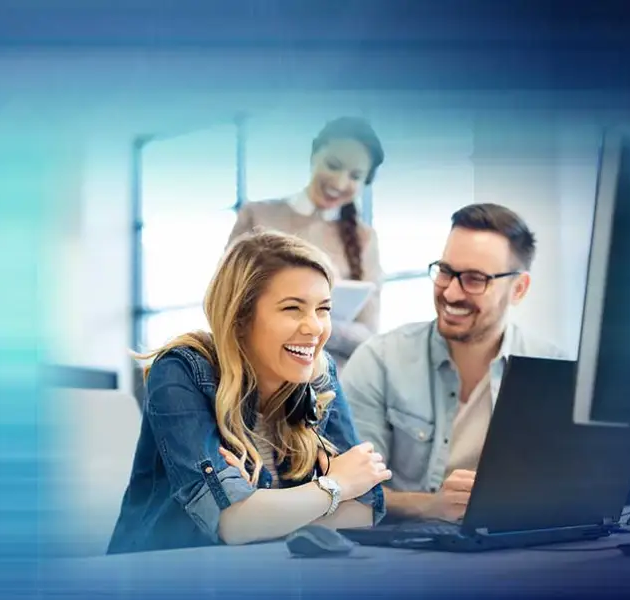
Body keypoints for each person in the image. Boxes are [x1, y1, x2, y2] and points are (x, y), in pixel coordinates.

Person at [106, 230, 390, 555]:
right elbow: (231, 523)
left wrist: (263, 510)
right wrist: (333, 486)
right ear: (241, 317)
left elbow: (365, 508)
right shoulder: (180, 371)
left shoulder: (318, 374)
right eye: (292, 309)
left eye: (323, 309)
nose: (314, 327)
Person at [341, 203, 567, 523]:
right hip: (405, 554)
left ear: (518, 289)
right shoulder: (379, 361)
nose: (451, 292)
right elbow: (348, 489)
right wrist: (429, 505)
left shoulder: (554, 371)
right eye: (446, 271)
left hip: (517, 549)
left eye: (475, 279)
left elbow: (579, 489)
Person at [229, 116, 386, 366]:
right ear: (314, 153)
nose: (340, 182)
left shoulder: (364, 239)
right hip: (258, 373)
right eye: (333, 165)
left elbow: (368, 336)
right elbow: (227, 302)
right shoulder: (257, 216)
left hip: (331, 385)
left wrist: (305, 322)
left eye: (355, 176)